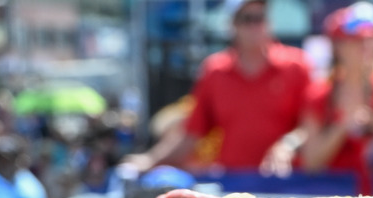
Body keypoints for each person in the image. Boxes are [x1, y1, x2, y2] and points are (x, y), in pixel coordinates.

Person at [120, 0, 311, 176]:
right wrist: (149, 160)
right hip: (234, 185)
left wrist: (288, 144)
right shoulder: (214, 71)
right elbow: (191, 135)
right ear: (232, 25)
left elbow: (313, 125)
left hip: (289, 181)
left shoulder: (297, 66)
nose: (255, 26)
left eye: (259, 18)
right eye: (246, 19)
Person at [298, 3, 373, 195]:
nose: (366, 47)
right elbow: (311, 162)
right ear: (339, 46)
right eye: (357, 40)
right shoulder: (318, 95)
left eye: (371, 39)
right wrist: (342, 127)